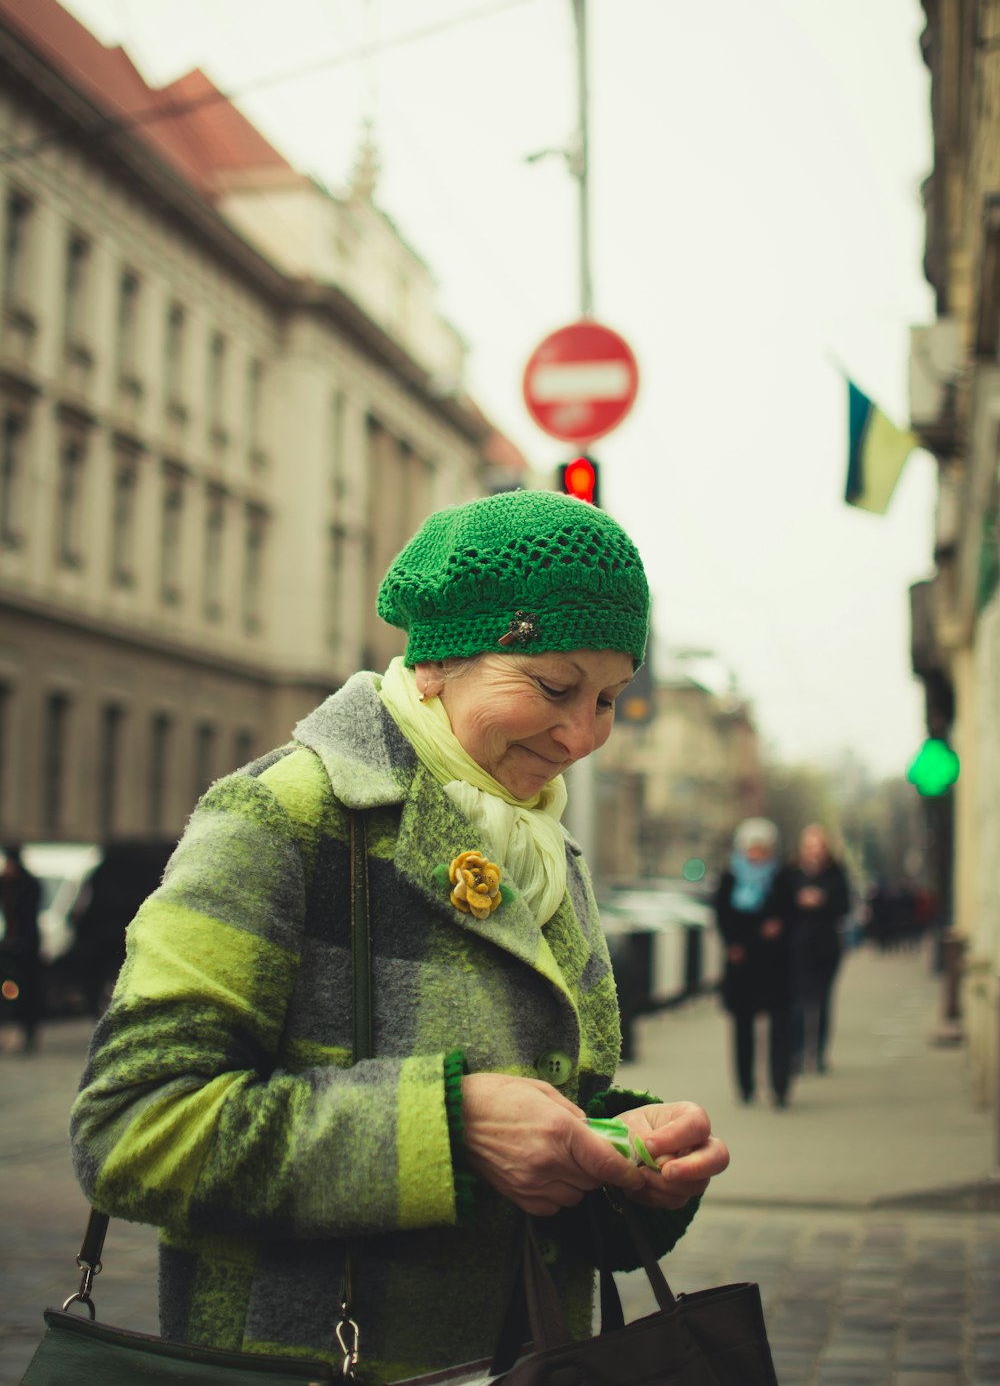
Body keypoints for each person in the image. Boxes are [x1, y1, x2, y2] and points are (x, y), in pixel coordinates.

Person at [70, 490, 730, 1384]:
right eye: (552, 686)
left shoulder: (539, 842)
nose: (583, 737)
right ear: (435, 664)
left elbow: (538, 1121)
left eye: (610, 698)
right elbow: (133, 1128)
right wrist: (450, 1127)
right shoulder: (282, 815)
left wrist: (619, 1164)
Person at [713, 817, 796, 1109]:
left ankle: (780, 1085)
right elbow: (721, 915)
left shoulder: (782, 877)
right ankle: (746, 1086)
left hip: (775, 963)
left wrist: (779, 926)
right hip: (742, 962)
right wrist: (735, 942)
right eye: (751, 848)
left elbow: (791, 913)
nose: (756, 853)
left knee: (779, 1025)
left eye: (761, 848)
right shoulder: (730, 877)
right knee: (742, 1027)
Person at [788, 823, 852, 1075]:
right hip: (797, 947)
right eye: (810, 845)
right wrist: (799, 901)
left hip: (826, 947)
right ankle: (797, 1052)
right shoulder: (792, 872)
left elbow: (845, 906)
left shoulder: (836, 872)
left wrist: (823, 900)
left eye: (819, 845)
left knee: (823, 1001)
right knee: (798, 1001)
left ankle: (819, 1054)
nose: (815, 851)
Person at [0, 845, 43, 1054]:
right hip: (8, 944)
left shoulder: (29, 885)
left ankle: (29, 1034)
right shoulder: (5, 884)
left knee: (28, 991)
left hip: (27, 945)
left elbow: (28, 916)